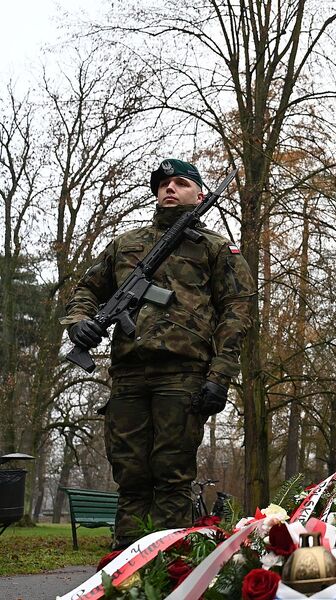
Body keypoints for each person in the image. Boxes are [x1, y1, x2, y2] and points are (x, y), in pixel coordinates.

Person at [62, 159, 255, 549]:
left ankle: (170, 566)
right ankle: (123, 568)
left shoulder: (216, 249)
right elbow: (86, 290)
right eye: (164, 183)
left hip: (183, 375)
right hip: (128, 375)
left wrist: (219, 376)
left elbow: (237, 311)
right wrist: (79, 321)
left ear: (199, 195)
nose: (170, 188)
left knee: (172, 476)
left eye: (181, 183)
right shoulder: (125, 244)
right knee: (131, 476)